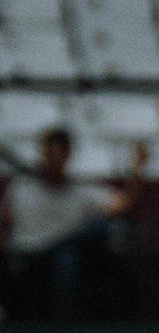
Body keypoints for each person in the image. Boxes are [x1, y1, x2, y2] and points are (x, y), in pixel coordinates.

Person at [1, 129, 147, 320]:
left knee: (100, 232)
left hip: (65, 255)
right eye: (49, 153)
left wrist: (136, 167)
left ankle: (64, 326)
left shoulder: (80, 192)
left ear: (67, 155)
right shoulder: (22, 188)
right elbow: (5, 223)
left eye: (58, 154)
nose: (53, 160)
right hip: (26, 258)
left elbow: (124, 205)